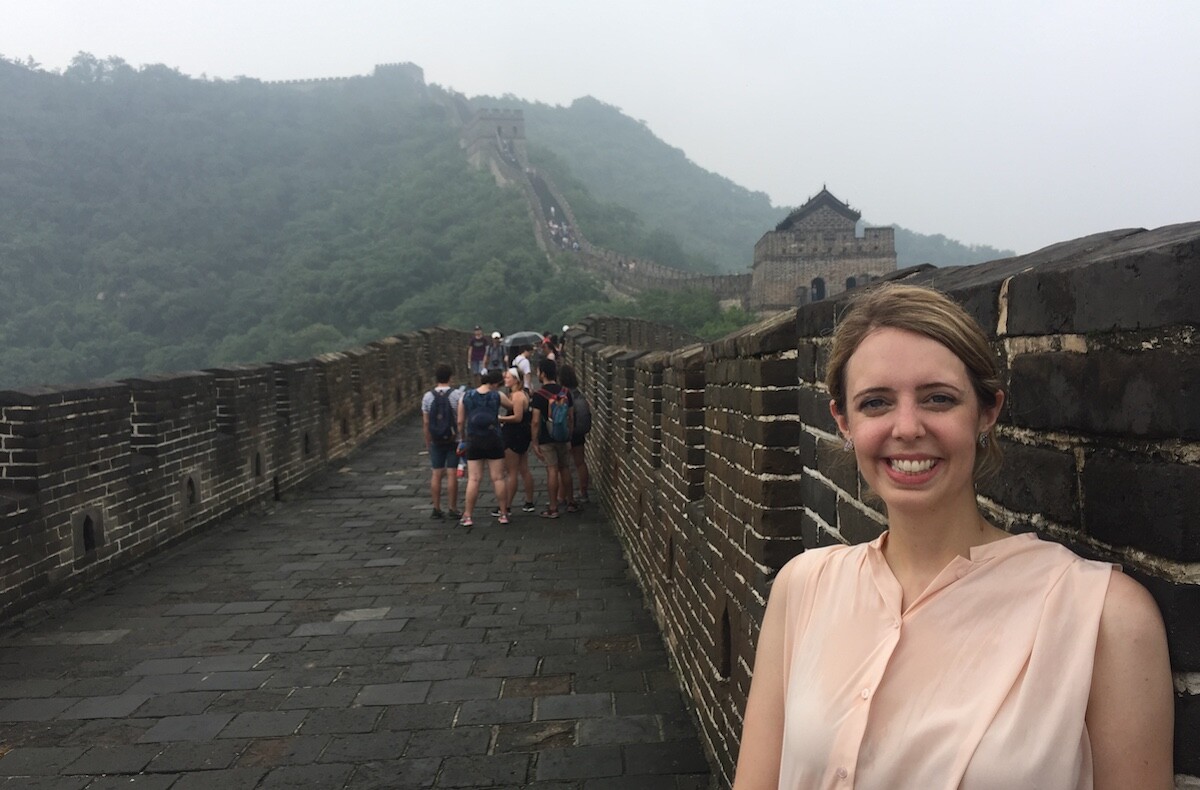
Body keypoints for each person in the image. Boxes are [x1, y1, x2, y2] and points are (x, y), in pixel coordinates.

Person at [733, 283, 1173, 789]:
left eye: (938, 399)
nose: (906, 427)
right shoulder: (804, 587)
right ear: (843, 421)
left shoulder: (1101, 617)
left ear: (987, 412)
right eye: (875, 403)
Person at [456, 369, 513, 527]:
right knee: (498, 478)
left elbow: (460, 421)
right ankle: (503, 514)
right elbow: (512, 405)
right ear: (495, 383)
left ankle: (468, 515)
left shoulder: (466, 396)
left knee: (474, 479)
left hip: (474, 439)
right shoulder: (497, 395)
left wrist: (463, 438)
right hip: (493, 438)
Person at [530, 359, 577, 518]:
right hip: (563, 437)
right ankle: (571, 503)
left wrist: (534, 442)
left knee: (552, 470)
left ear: (542, 373)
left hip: (546, 437)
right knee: (565, 469)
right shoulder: (565, 392)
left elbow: (535, 421)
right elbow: (571, 416)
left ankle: (553, 507)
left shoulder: (538, 395)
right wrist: (569, 436)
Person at [421, 363, 464, 520]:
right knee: (452, 472)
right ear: (450, 378)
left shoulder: (427, 397)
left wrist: (428, 441)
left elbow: (426, 423)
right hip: (454, 439)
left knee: (436, 473)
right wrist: (462, 437)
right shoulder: (457, 395)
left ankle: (436, 508)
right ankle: (452, 508)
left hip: (436, 440)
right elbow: (460, 419)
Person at [500, 367, 537, 513]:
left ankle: (507, 505)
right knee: (524, 469)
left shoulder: (516, 396)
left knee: (512, 472)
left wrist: (500, 418)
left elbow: (517, 417)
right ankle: (529, 501)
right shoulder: (524, 394)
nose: (505, 380)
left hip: (513, 435)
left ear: (516, 380)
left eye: (508, 377)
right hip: (522, 435)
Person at [558, 364, 591, 505]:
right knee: (580, 462)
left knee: (563, 466)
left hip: (567, 432)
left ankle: (562, 496)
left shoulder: (562, 395)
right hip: (579, 432)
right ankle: (583, 492)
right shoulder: (578, 394)